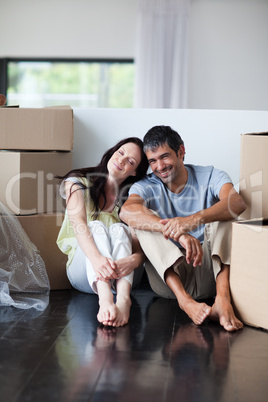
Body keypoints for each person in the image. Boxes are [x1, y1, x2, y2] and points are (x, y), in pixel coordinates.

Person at [120, 125, 246, 332]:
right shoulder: (146, 185)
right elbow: (126, 212)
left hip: (209, 272)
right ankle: (184, 301)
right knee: (143, 222)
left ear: (181, 152)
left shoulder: (211, 175)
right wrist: (178, 233)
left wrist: (192, 220)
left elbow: (237, 204)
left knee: (225, 215)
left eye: (164, 157)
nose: (159, 166)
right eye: (152, 161)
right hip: (169, 280)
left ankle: (223, 300)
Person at [56, 137, 148, 327]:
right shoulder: (77, 181)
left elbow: (139, 247)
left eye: (130, 161)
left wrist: (134, 260)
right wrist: (97, 260)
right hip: (84, 269)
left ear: (135, 172)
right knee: (94, 226)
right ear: (112, 152)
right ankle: (105, 299)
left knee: (118, 228)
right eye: (121, 152)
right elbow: (78, 222)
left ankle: (123, 301)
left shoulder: (134, 196)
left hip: (124, 276)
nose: (121, 160)